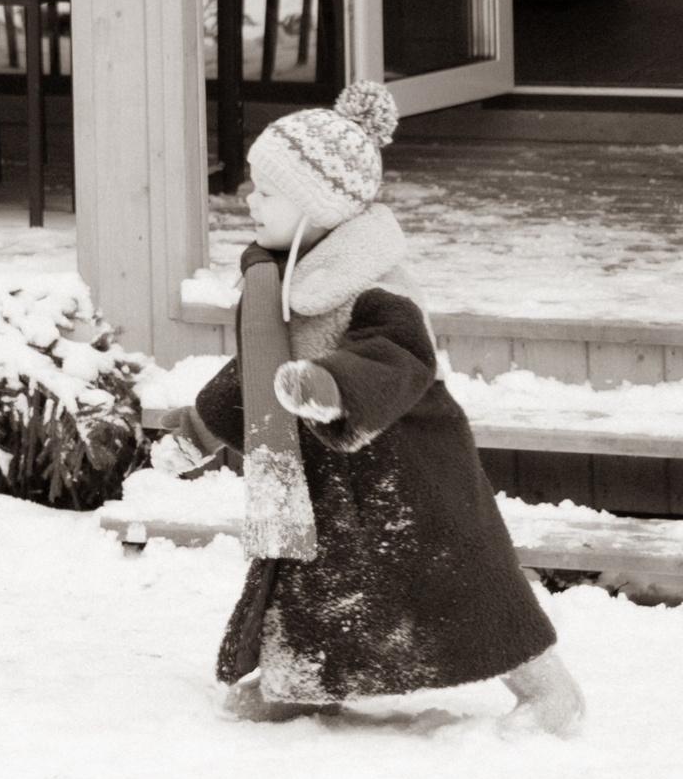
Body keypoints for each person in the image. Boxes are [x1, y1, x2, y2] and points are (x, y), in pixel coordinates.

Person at [185, 82, 584, 735]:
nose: (246, 199)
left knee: (467, 580)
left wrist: (328, 386)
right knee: (319, 581)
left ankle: (551, 691)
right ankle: (302, 682)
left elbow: (397, 355)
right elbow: (265, 370)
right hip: (336, 478)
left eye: (266, 190)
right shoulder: (284, 272)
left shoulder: (372, 281)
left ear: (319, 206)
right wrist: (203, 421)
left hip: (412, 467)